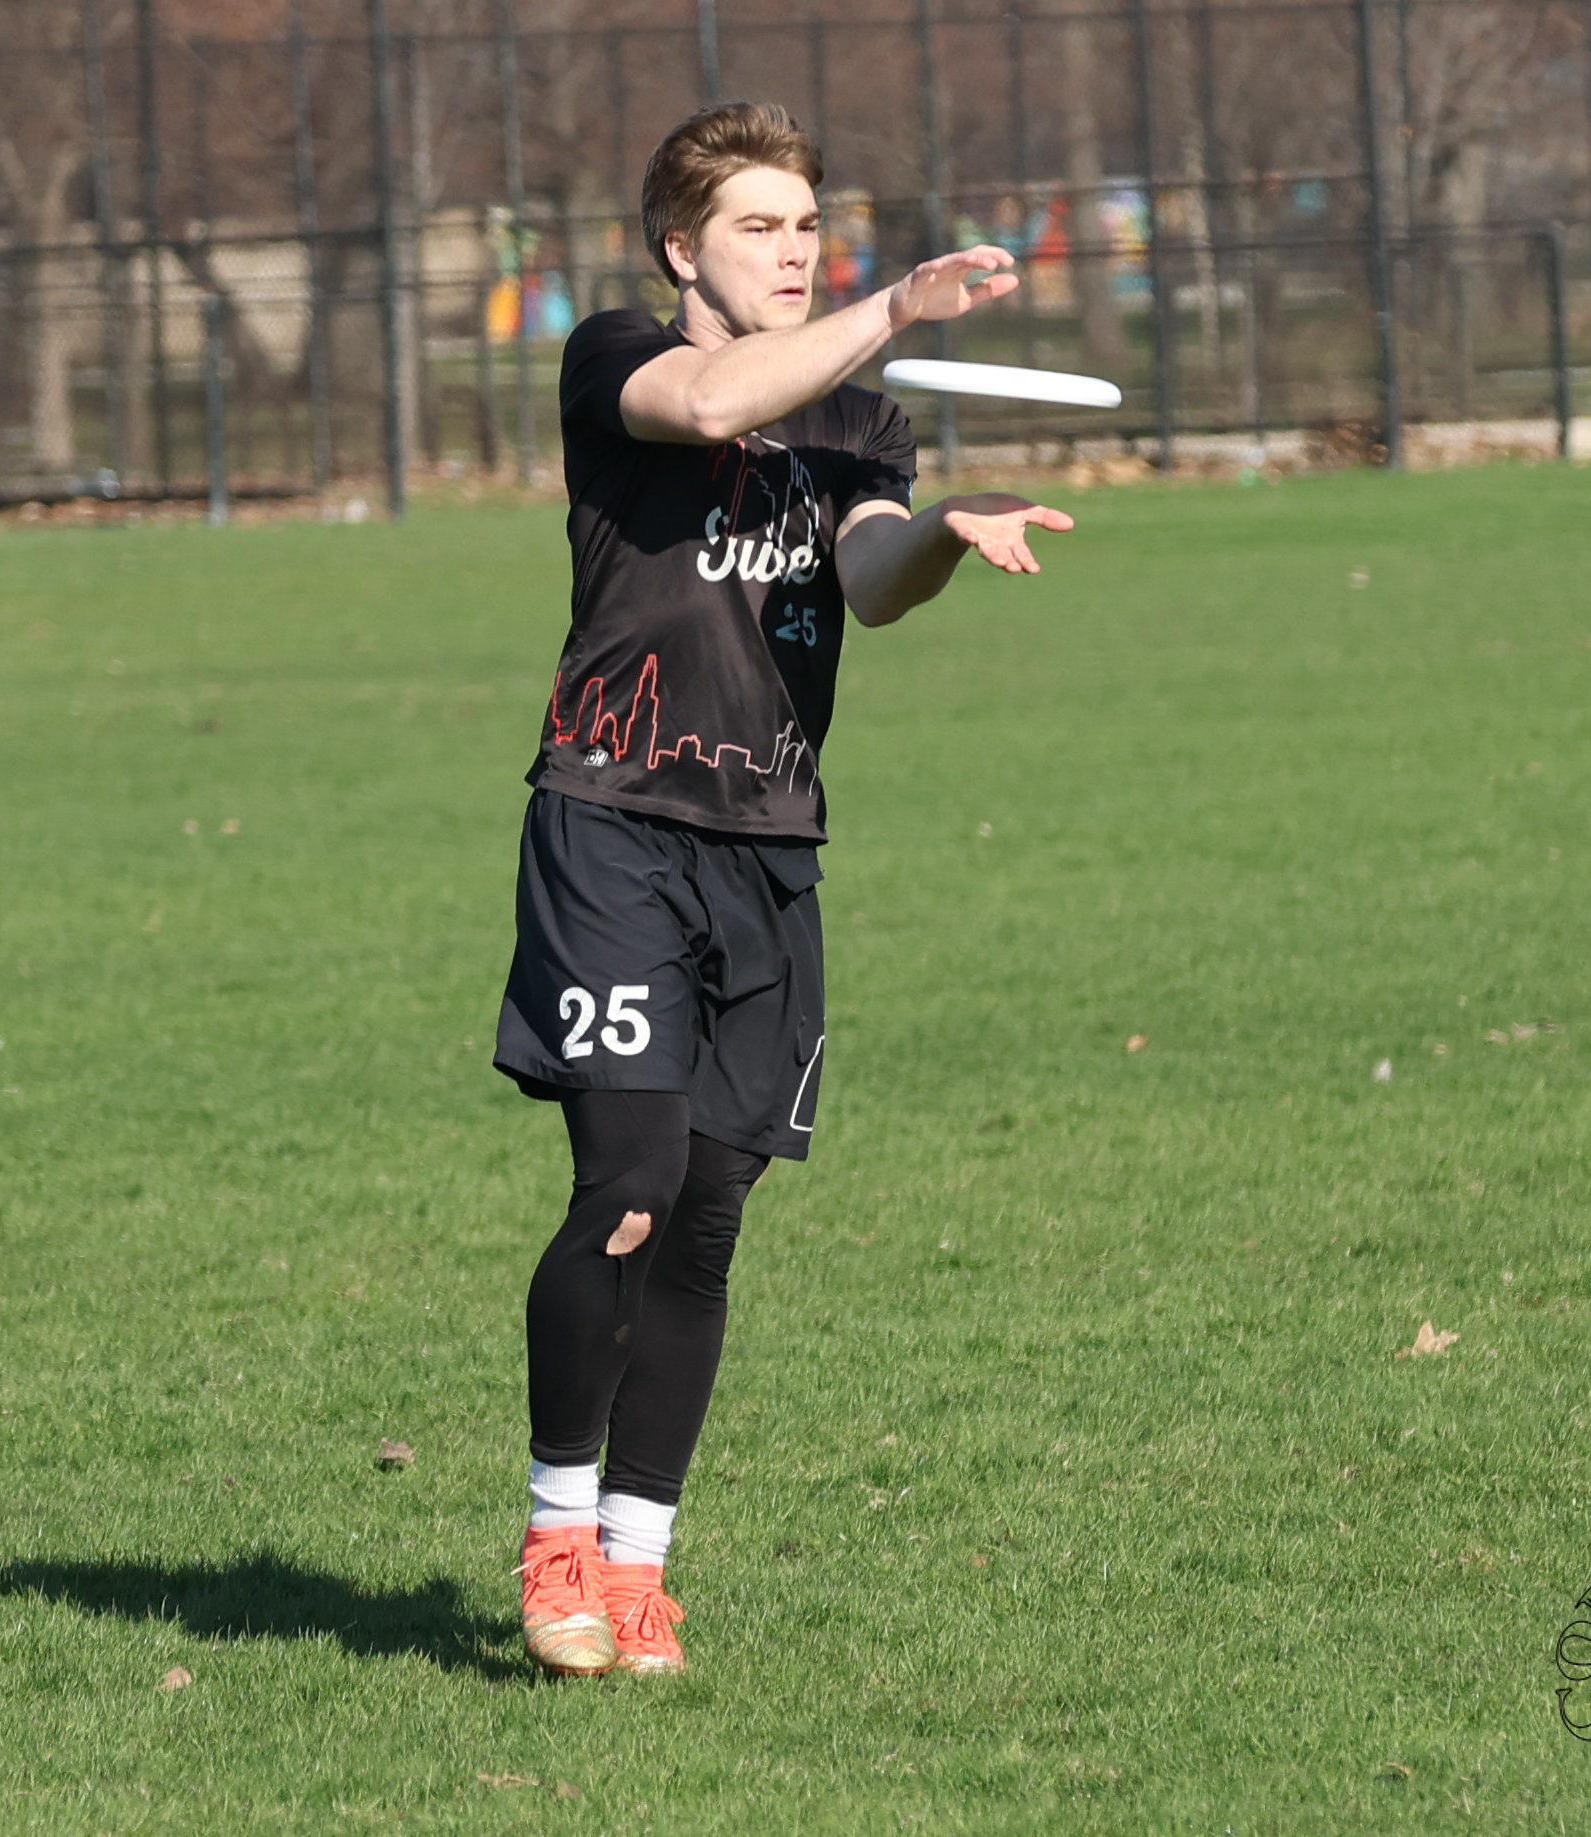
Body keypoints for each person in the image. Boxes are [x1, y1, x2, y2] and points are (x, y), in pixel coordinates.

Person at [493, 101, 1074, 1677]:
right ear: (681, 250)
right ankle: (555, 1537)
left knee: (706, 1219)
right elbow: (707, 401)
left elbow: (870, 580)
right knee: (627, 1183)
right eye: (760, 225)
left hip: (768, 849)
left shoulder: (855, 424)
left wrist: (940, 529)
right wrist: (896, 305)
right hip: (612, 824)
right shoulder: (616, 356)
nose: (797, 249)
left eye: (810, 224)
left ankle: (638, 1570)